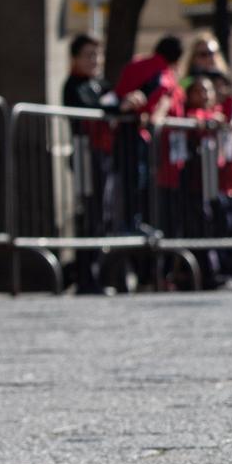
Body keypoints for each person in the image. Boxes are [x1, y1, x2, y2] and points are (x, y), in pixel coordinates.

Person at [60, 34, 116, 291]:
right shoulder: (74, 84)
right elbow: (94, 108)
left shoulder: (100, 84)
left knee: (101, 215)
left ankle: (95, 272)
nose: (94, 60)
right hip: (85, 153)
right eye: (88, 55)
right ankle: (85, 275)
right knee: (89, 214)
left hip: (103, 153)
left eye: (97, 54)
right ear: (75, 58)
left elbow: (113, 102)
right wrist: (112, 106)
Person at [113, 34, 185, 229]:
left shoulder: (137, 63)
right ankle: (132, 224)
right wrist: (149, 114)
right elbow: (157, 95)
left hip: (124, 131)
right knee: (137, 183)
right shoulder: (163, 73)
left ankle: (131, 223)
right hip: (137, 133)